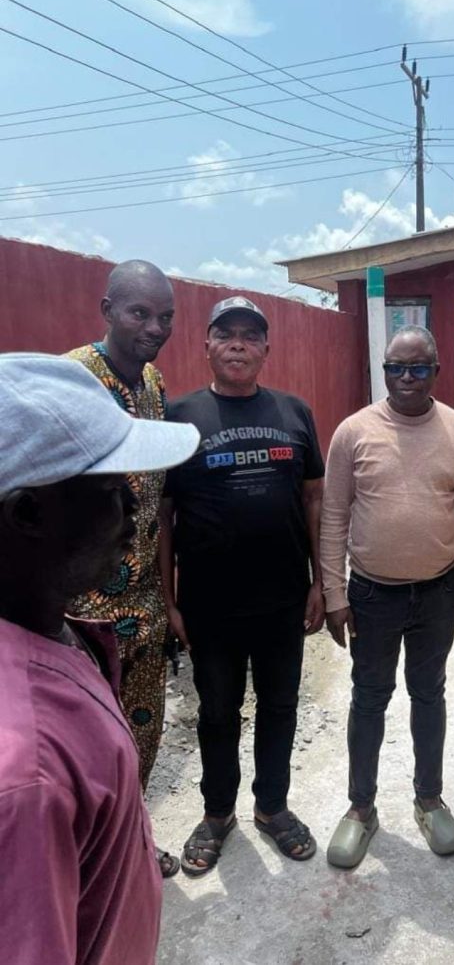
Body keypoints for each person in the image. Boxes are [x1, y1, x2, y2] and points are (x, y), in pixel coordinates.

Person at [0, 353, 199, 964]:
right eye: (114, 493)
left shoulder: (55, 630)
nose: (136, 517)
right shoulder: (26, 773)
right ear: (30, 513)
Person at [160, 295, 325, 876]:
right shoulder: (179, 416)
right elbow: (164, 512)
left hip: (282, 597)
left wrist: (320, 582)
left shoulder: (294, 412)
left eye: (250, 336)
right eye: (225, 334)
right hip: (210, 605)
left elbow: (312, 499)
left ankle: (272, 808)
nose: (238, 343)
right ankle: (217, 813)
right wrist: (170, 599)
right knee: (218, 711)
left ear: (265, 349)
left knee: (280, 707)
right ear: (206, 344)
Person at [321, 326, 454, 868]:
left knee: (429, 695)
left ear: (437, 371)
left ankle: (429, 799)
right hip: (371, 595)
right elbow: (334, 516)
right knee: (368, 698)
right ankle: (361, 809)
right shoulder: (353, 432)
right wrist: (334, 593)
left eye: (418, 368)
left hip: (437, 592)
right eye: (396, 368)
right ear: (383, 371)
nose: (407, 378)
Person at [66, 258, 179, 877]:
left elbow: (160, 499)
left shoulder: (156, 385)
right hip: (84, 608)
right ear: (107, 310)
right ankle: (82, 865)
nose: (154, 326)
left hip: (144, 603)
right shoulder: (75, 378)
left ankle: (130, 847)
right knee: (84, 747)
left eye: (165, 316)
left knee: (140, 736)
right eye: (140, 313)